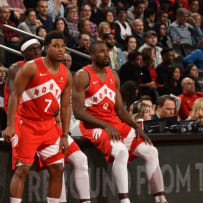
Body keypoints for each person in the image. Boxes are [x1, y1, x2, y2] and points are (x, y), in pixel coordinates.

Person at [72, 41, 168, 203]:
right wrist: (105, 125)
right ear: (92, 55)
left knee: (151, 151)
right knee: (121, 151)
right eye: (101, 52)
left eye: (107, 51)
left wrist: (136, 126)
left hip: (113, 123)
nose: (106, 54)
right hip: (91, 125)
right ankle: (124, 200)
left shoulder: (113, 75)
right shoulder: (83, 75)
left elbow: (120, 110)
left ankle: (161, 199)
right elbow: (78, 111)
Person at [3, 31, 75, 203]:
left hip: (49, 125)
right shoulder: (31, 67)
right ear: (46, 48)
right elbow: (14, 95)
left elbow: (65, 106)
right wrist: (10, 125)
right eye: (55, 46)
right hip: (26, 123)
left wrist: (64, 135)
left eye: (63, 47)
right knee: (23, 170)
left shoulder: (66, 73)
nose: (60, 50)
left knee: (58, 169)